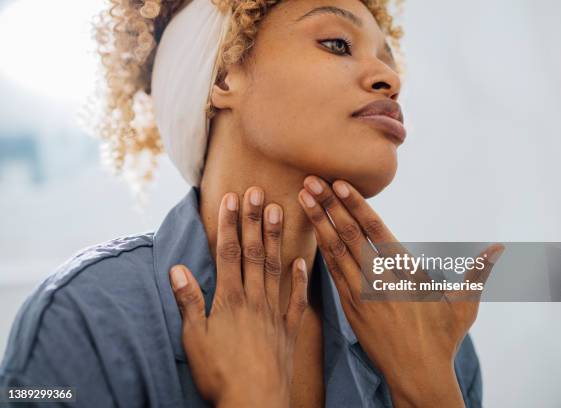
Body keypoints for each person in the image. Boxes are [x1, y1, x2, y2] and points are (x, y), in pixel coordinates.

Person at [0, 0, 503, 406]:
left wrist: (430, 390)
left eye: (388, 61)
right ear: (223, 77)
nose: (390, 80)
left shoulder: (433, 338)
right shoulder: (83, 316)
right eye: (337, 43)